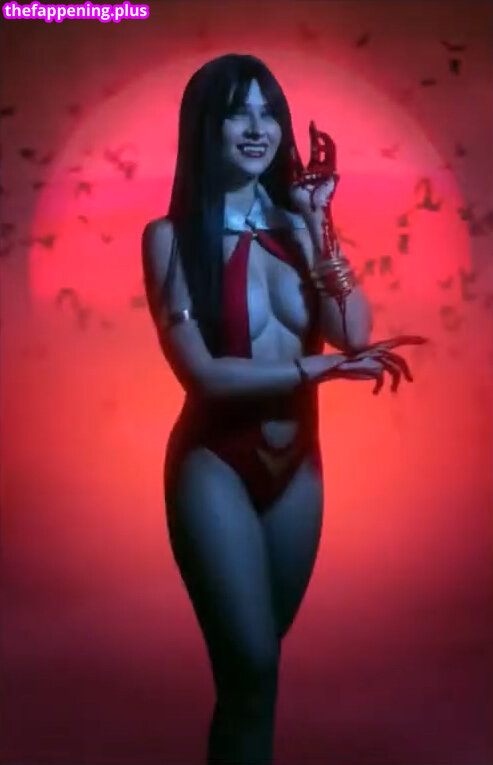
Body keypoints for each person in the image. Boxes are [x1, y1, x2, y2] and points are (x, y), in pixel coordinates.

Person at [141, 53, 426, 765]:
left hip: (299, 467)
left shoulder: (299, 223)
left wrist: (317, 222)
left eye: (268, 112)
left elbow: (353, 332)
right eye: (237, 112)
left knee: (255, 679)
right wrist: (316, 368)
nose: (256, 128)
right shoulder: (171, 237)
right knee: (251, 669)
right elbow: (202, 374)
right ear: (203, 127)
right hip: (214, 466)